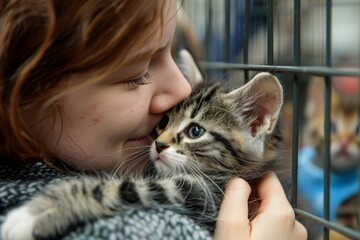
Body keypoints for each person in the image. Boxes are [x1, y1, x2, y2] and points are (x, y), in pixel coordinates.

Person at [0, 1, 307, 239]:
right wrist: (75, 200)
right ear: (23, 88)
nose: (181, 89)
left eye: (170, 52)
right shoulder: (152, 229)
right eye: (136, 73)